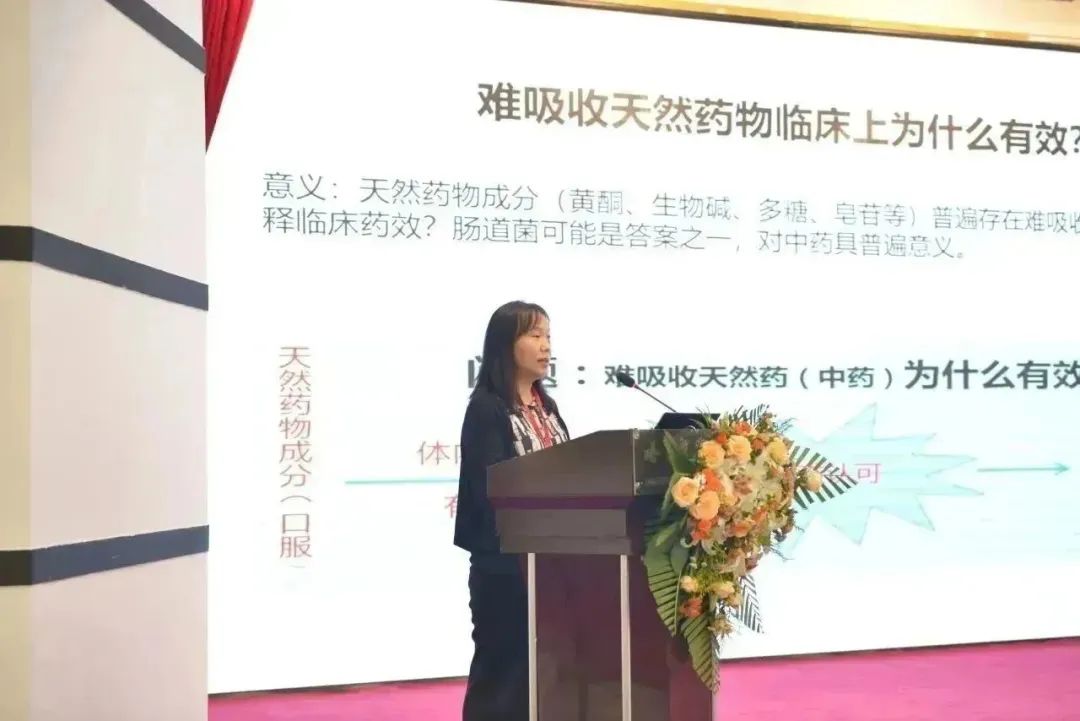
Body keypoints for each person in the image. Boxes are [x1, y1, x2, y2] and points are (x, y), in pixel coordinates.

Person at [453, 300, 570, 721]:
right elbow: (490, 487)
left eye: (548, 336)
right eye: (534, 335)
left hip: (555, 567)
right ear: (505, 344)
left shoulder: (548, 408)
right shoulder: (487, 409)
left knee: (546, 677)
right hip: (505, 568)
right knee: (502, 676)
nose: (546, 346)